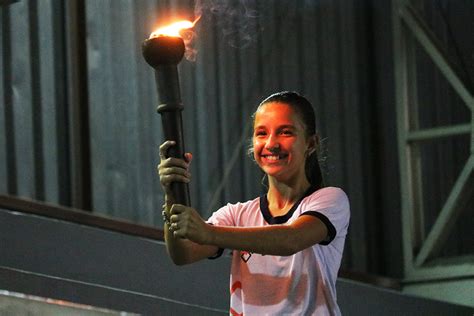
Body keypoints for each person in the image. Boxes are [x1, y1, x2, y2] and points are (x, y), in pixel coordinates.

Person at [158, 91, 350, 315]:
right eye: (261, 133)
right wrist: (171, 191)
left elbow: (291, 239)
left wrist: (208, 233)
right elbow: (183, 254)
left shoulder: (330, 200)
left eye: (285, 132)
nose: (271, 143)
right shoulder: (236, 215)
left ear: (311, 143)